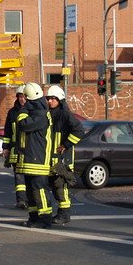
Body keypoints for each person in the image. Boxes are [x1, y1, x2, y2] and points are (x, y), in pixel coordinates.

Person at [15, 82, 55, 228]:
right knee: (32, 192)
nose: (22, 100)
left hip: (38, 160)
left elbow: (23, 124)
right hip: (30, 159)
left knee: (40, 191)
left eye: (24, 97)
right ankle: (34, 218)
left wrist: (23, 110)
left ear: (28, 97)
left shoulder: (40, 114)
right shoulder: (37, 111)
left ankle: (45, 220)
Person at [46, 85, 86, 224]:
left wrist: (66, 145)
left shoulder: (65, 114)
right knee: (54, 186)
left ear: (60, 100)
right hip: (50, 157)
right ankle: (59, 213)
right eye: (49, 98)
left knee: (60, 186)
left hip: (62, 158)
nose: (50, 101)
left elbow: (79, 131)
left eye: (53, 99)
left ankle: (64, 214)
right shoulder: (49, 114)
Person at [2, 85, 28, 209]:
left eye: (24, 97)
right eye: (20, 97)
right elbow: (7, 131)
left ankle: (31, 200)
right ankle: (21, 200)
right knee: (19, 176)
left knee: (29, 176)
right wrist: (5, 147)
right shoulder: (12, 112)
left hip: (30, 150)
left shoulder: (34, 111)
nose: (22, 99)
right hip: (15, 150)